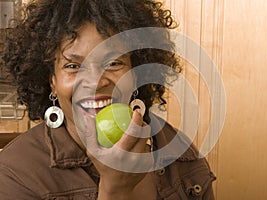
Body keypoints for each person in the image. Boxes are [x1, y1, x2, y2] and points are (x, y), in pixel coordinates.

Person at [0, 0, 216, 199]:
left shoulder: (181, 158)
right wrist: (115, 190)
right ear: (52, 82)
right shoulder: (16, 175)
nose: (95, 81)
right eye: (73, 66)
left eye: (113, 63)